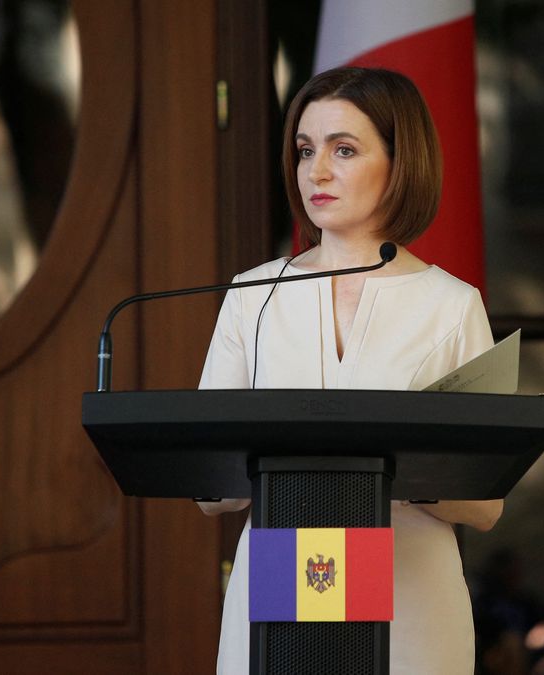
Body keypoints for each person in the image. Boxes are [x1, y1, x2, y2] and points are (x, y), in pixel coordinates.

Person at [198, 66, 503, 674]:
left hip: (408, 597)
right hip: (279, 589)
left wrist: (395, 466)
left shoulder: (453, 305)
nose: (316, 172)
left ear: (399, 161)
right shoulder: (252, 295)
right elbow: (213, 489)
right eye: (305, 150)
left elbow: (486, 502)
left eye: (344, 150)